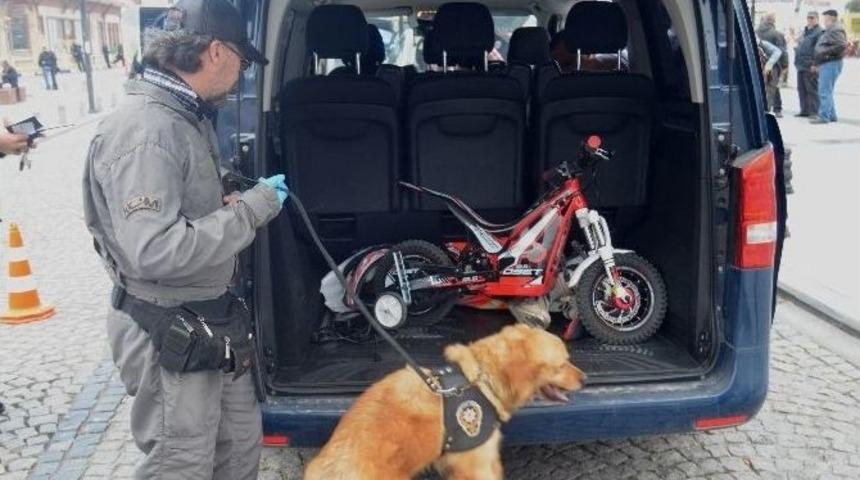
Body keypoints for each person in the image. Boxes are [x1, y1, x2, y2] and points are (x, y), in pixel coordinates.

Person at [82, 0, 283, 478]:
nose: (242, 74)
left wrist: (228, 199)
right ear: (217, 51)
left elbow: (183, 210)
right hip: (169, 327)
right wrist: (252, 211)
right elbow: (156, 251)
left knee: (236, 447)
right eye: (242, 60)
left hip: (210, 318)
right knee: (182, 462)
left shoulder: (184, 117)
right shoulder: (148, 131)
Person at [810, 10, 847, 124]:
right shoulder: (831, 30)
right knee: (827, 90)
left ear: (831, 19)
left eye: (825, 19)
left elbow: (841, 45)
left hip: (831, 62)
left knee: (824, 90)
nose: (824, 22)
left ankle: (824, 116)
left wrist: (825, 53)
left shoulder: (836, 29)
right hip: (827, 63)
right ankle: (831, 115)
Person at [756, 14, 788, 117]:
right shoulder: (777, 34)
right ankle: (772, 110)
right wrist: (784, 66)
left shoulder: (755, 32)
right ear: (773, 22)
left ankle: (764, 109)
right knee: (771, 87)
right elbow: (782, 51)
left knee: (762, 87)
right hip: (772, 65)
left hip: (758, 63)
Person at [794, 12, 823, 117]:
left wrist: (815, 64)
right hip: (801, 64)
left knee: (812, 89)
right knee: (801, 88)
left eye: (812, 18)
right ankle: (804, 110)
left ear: (817, 19)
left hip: (810, 65)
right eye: (808, 17)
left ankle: (815, 112)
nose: (810, 20)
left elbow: (819, 50)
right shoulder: (805, 31)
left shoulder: (819, 32)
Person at [758, 39, 783, 118]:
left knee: (769, 90)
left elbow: (778, 51)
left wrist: (769, 65)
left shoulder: (762, 43)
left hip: (771, 69)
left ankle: (766, 112)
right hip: (765, 68)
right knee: (769, 90)